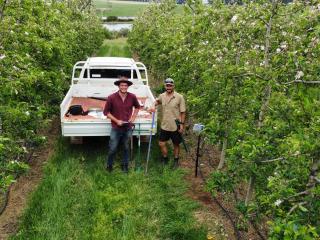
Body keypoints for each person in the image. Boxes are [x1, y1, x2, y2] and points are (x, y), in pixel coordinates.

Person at [103, 76, 140, 173]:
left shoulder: (132, 97)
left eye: (125, 85)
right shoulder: (111, 97)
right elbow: (106, 112)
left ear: (128, 86)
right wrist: (116, 120)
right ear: (118, 86)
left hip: (127, 127)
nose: (124, 87)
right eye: (122, 85)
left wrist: (133, 118)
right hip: (116, 127)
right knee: (112, 148)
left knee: (126, 147)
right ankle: (109, 165)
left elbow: (137, 107)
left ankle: (125, 165)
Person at [152, 78, 186, 168]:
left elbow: (183, 112)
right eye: (167, 85)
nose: (169, 87)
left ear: (173, 86)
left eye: (170, 85)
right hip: (165, 125)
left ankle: (176, 160)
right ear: (165, 86)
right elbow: (157, 101)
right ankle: (165, 158)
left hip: (176, 125)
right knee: (161, 143)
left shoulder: (179, 97)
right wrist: (153, 105)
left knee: (176, 144)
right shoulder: (162, 96)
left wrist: (182, 125)